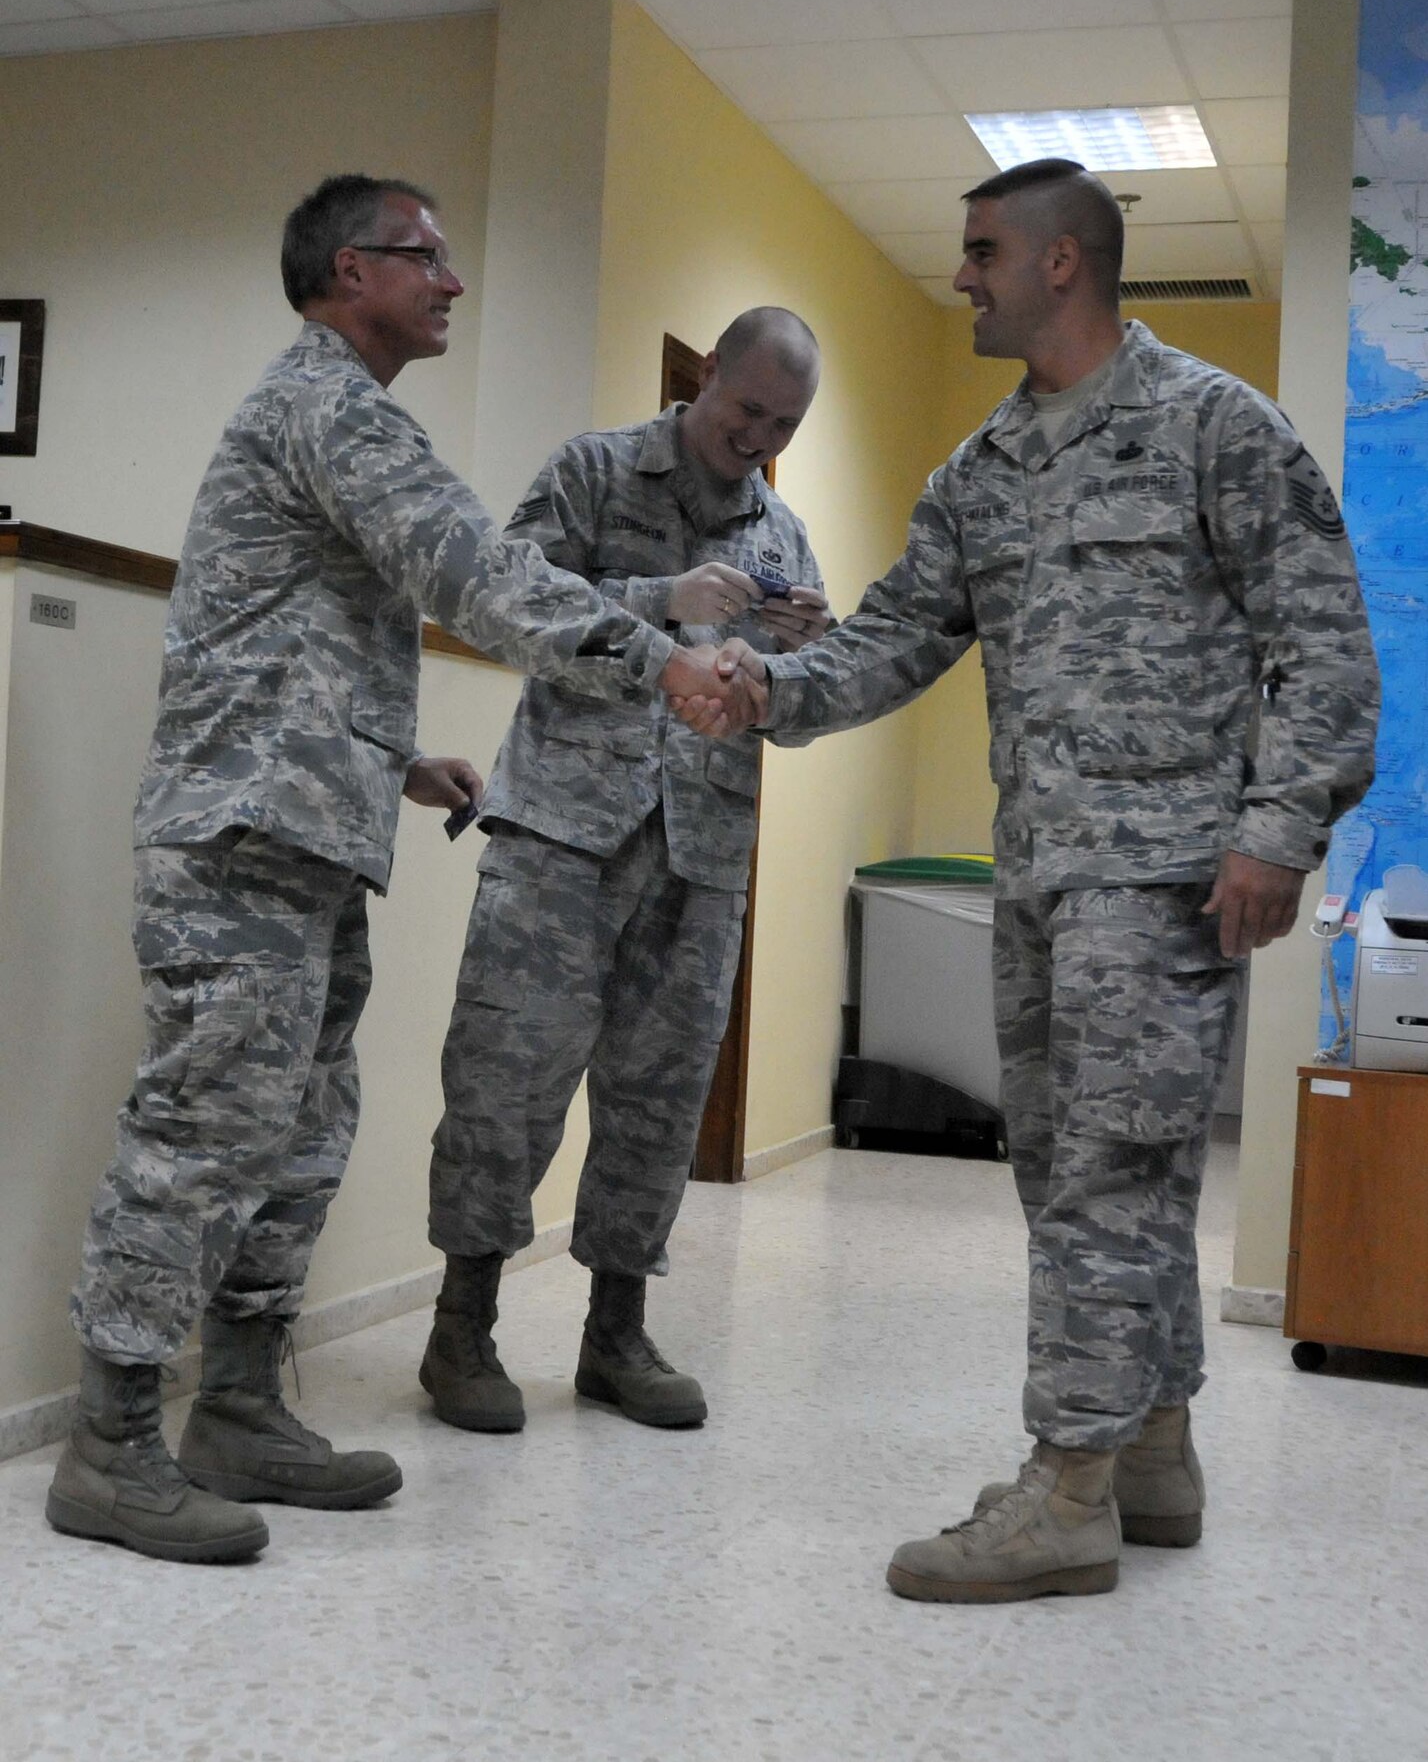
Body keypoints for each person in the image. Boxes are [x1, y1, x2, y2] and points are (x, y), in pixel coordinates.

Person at [682, 160, 1379, 1601]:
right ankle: (1153, 1455)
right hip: (1042, 878)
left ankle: (1067, 1489)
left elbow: (1325, 646)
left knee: (1110, 1182)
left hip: (1169, 873)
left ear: (1067, 263)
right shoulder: (982, 472)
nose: (964, 276)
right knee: (1078, 1174)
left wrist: (1275, 831)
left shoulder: (1212, 428)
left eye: (984, 249)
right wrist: (766, 688)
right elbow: (891, 640)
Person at [47, 174, 760, 1566]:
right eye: (419, 258)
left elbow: (287, 638)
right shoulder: (329, 406)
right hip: (241, 844)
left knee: (300, 1130)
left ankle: (241, 1404)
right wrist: (660, 656)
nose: (448, 280)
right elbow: (480, 573)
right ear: (341, 274)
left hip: (307, 831)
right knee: (202, 1133)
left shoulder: (347, 419)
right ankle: (110, 1441)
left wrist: (393, 760)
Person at [421, 307, 831, 1434]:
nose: (758, 436)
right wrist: (663, 600)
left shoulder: (783, 535)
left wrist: (789, 656)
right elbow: (503, 604)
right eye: (748, 408)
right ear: (706, 375)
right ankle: (462, 1328)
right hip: (561, 835)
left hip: (699, 853)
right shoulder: (594, 471)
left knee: (658, 1103)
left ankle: (617, 1332)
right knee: (506, 1082)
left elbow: (803, 710)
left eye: (783, 423)